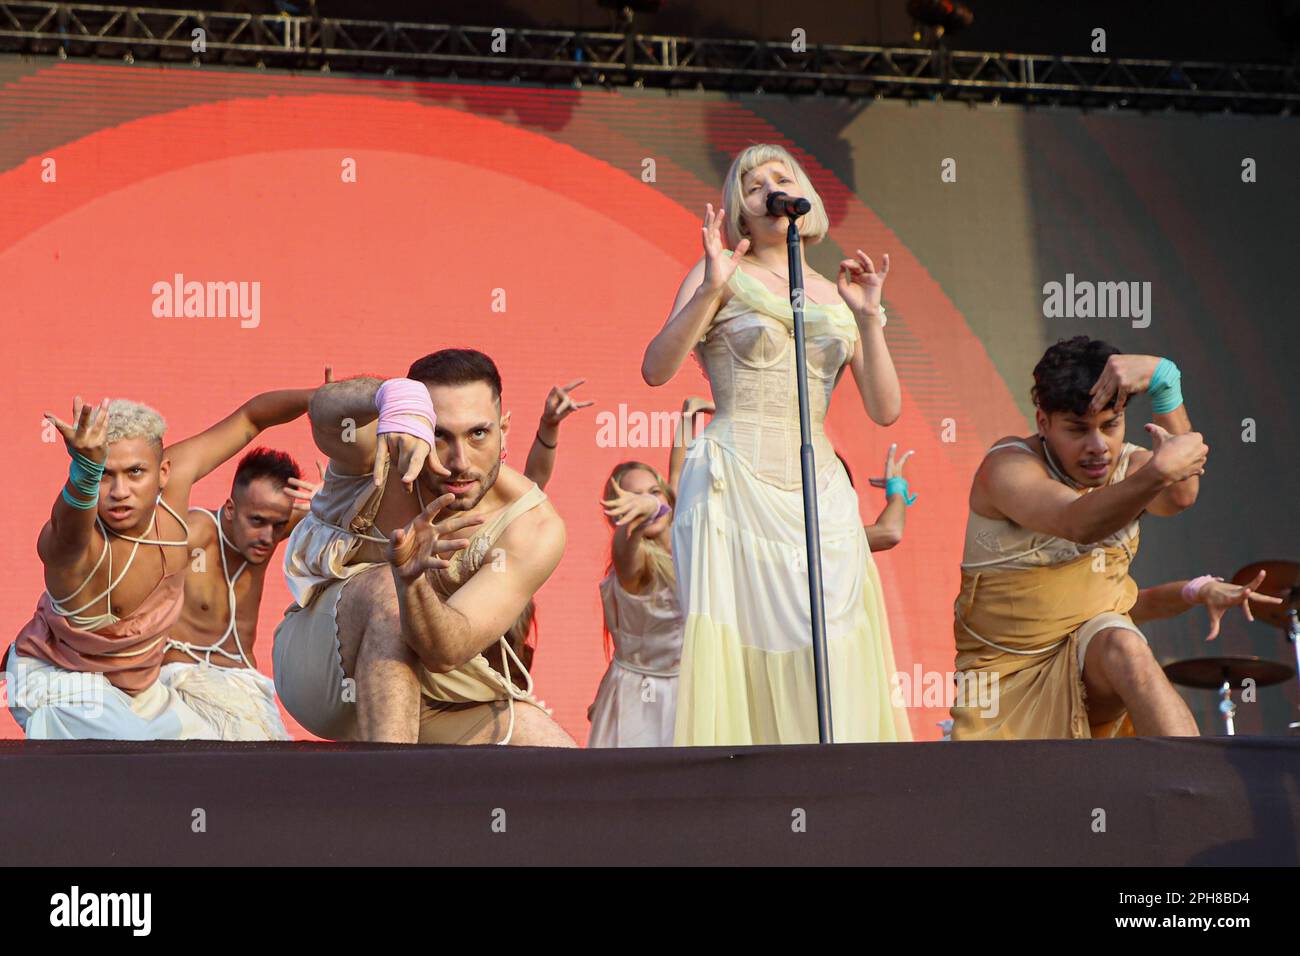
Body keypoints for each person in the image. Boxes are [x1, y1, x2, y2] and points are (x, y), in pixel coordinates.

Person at [642, 142, 912, 745]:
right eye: (753, 182)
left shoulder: (838, 292)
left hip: (819, 490)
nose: (768, 187)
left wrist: (869, 316)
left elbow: (885, 409)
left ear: (803, 196)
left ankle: (833, 802)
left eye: (780, 177)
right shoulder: (719, 273)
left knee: (832, 648)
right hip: (733, 479)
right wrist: (712, 287)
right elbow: (657, 369)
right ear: (740, 206)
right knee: (741, 651)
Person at [272, 349, 575, 745]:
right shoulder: (380, 450)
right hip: (322, 673)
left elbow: (447, 651)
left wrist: (412, 582)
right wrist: (391, 394)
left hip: (429, 690)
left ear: (504, 428)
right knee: (387, 591)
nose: (459, 461)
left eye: (478, 433)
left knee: (547, 747)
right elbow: (323, 412)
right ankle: (393, 799)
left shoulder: (533, 526)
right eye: (440, 435)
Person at [6, 387, 314, 739]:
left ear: (163, 472)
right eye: (105, 474)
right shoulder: (74, 543)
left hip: (139, 693)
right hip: (57, 679)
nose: (120, 490)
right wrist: (85, 471)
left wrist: (320, 400)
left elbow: (251, 418)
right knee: (127, 746)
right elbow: (71, 521)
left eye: (135, 472)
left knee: (233, 752)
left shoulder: (172, 498)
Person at [951, 335, 1215, 738]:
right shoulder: (1006, 467)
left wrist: (1165, 384)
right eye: (1077, 430)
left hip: (1092, 664)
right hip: (1004, 688)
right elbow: (1079, 523)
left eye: (1110, 426)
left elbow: (1182, 494)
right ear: (1043, 422)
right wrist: (1159, 471)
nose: (1098, 447)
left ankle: (1199, 791)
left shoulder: (1131, 466)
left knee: (1124, 644)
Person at [158, 447, 321, 740]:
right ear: (231, 509)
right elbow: (131, 566)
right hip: (184, 680)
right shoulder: (195, 533)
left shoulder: (267, 528)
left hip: (247, 690)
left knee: (282, 772)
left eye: (279, 525)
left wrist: (331, 498)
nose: (268, 537)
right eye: (257, 521)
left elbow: (348, 507)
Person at [583, 398, 713, 747]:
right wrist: (643, 513)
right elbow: (625, 546)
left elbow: (677, 478)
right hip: (641, 698)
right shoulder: (634, 560)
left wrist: (687, 418)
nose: (648, 500)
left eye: (653, 492)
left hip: (689, 687)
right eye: (633, 496)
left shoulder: (681, 536)